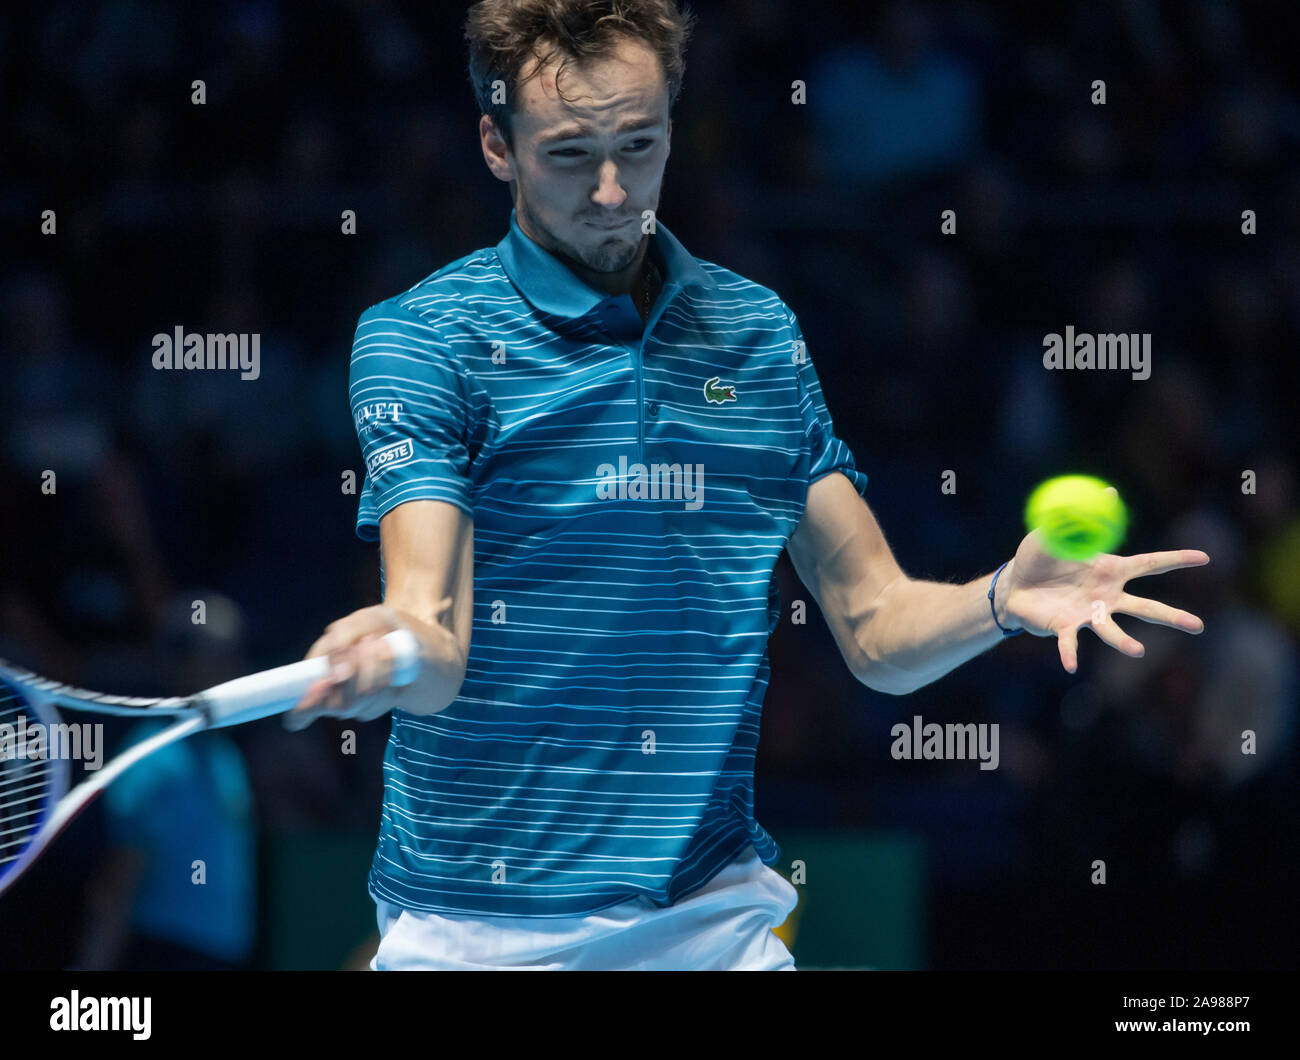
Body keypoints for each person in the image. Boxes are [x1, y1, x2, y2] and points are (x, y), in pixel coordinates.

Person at [286, 0, 1208, 970]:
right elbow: (433, 636)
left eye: (638, 145)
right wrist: (387, 645)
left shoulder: (754, 335)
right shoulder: (421, 339)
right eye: (567, 154)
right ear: (495, 144)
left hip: (710, 931)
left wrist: (997, 602)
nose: (611, 191)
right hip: (472, 932)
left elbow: (875, 625)